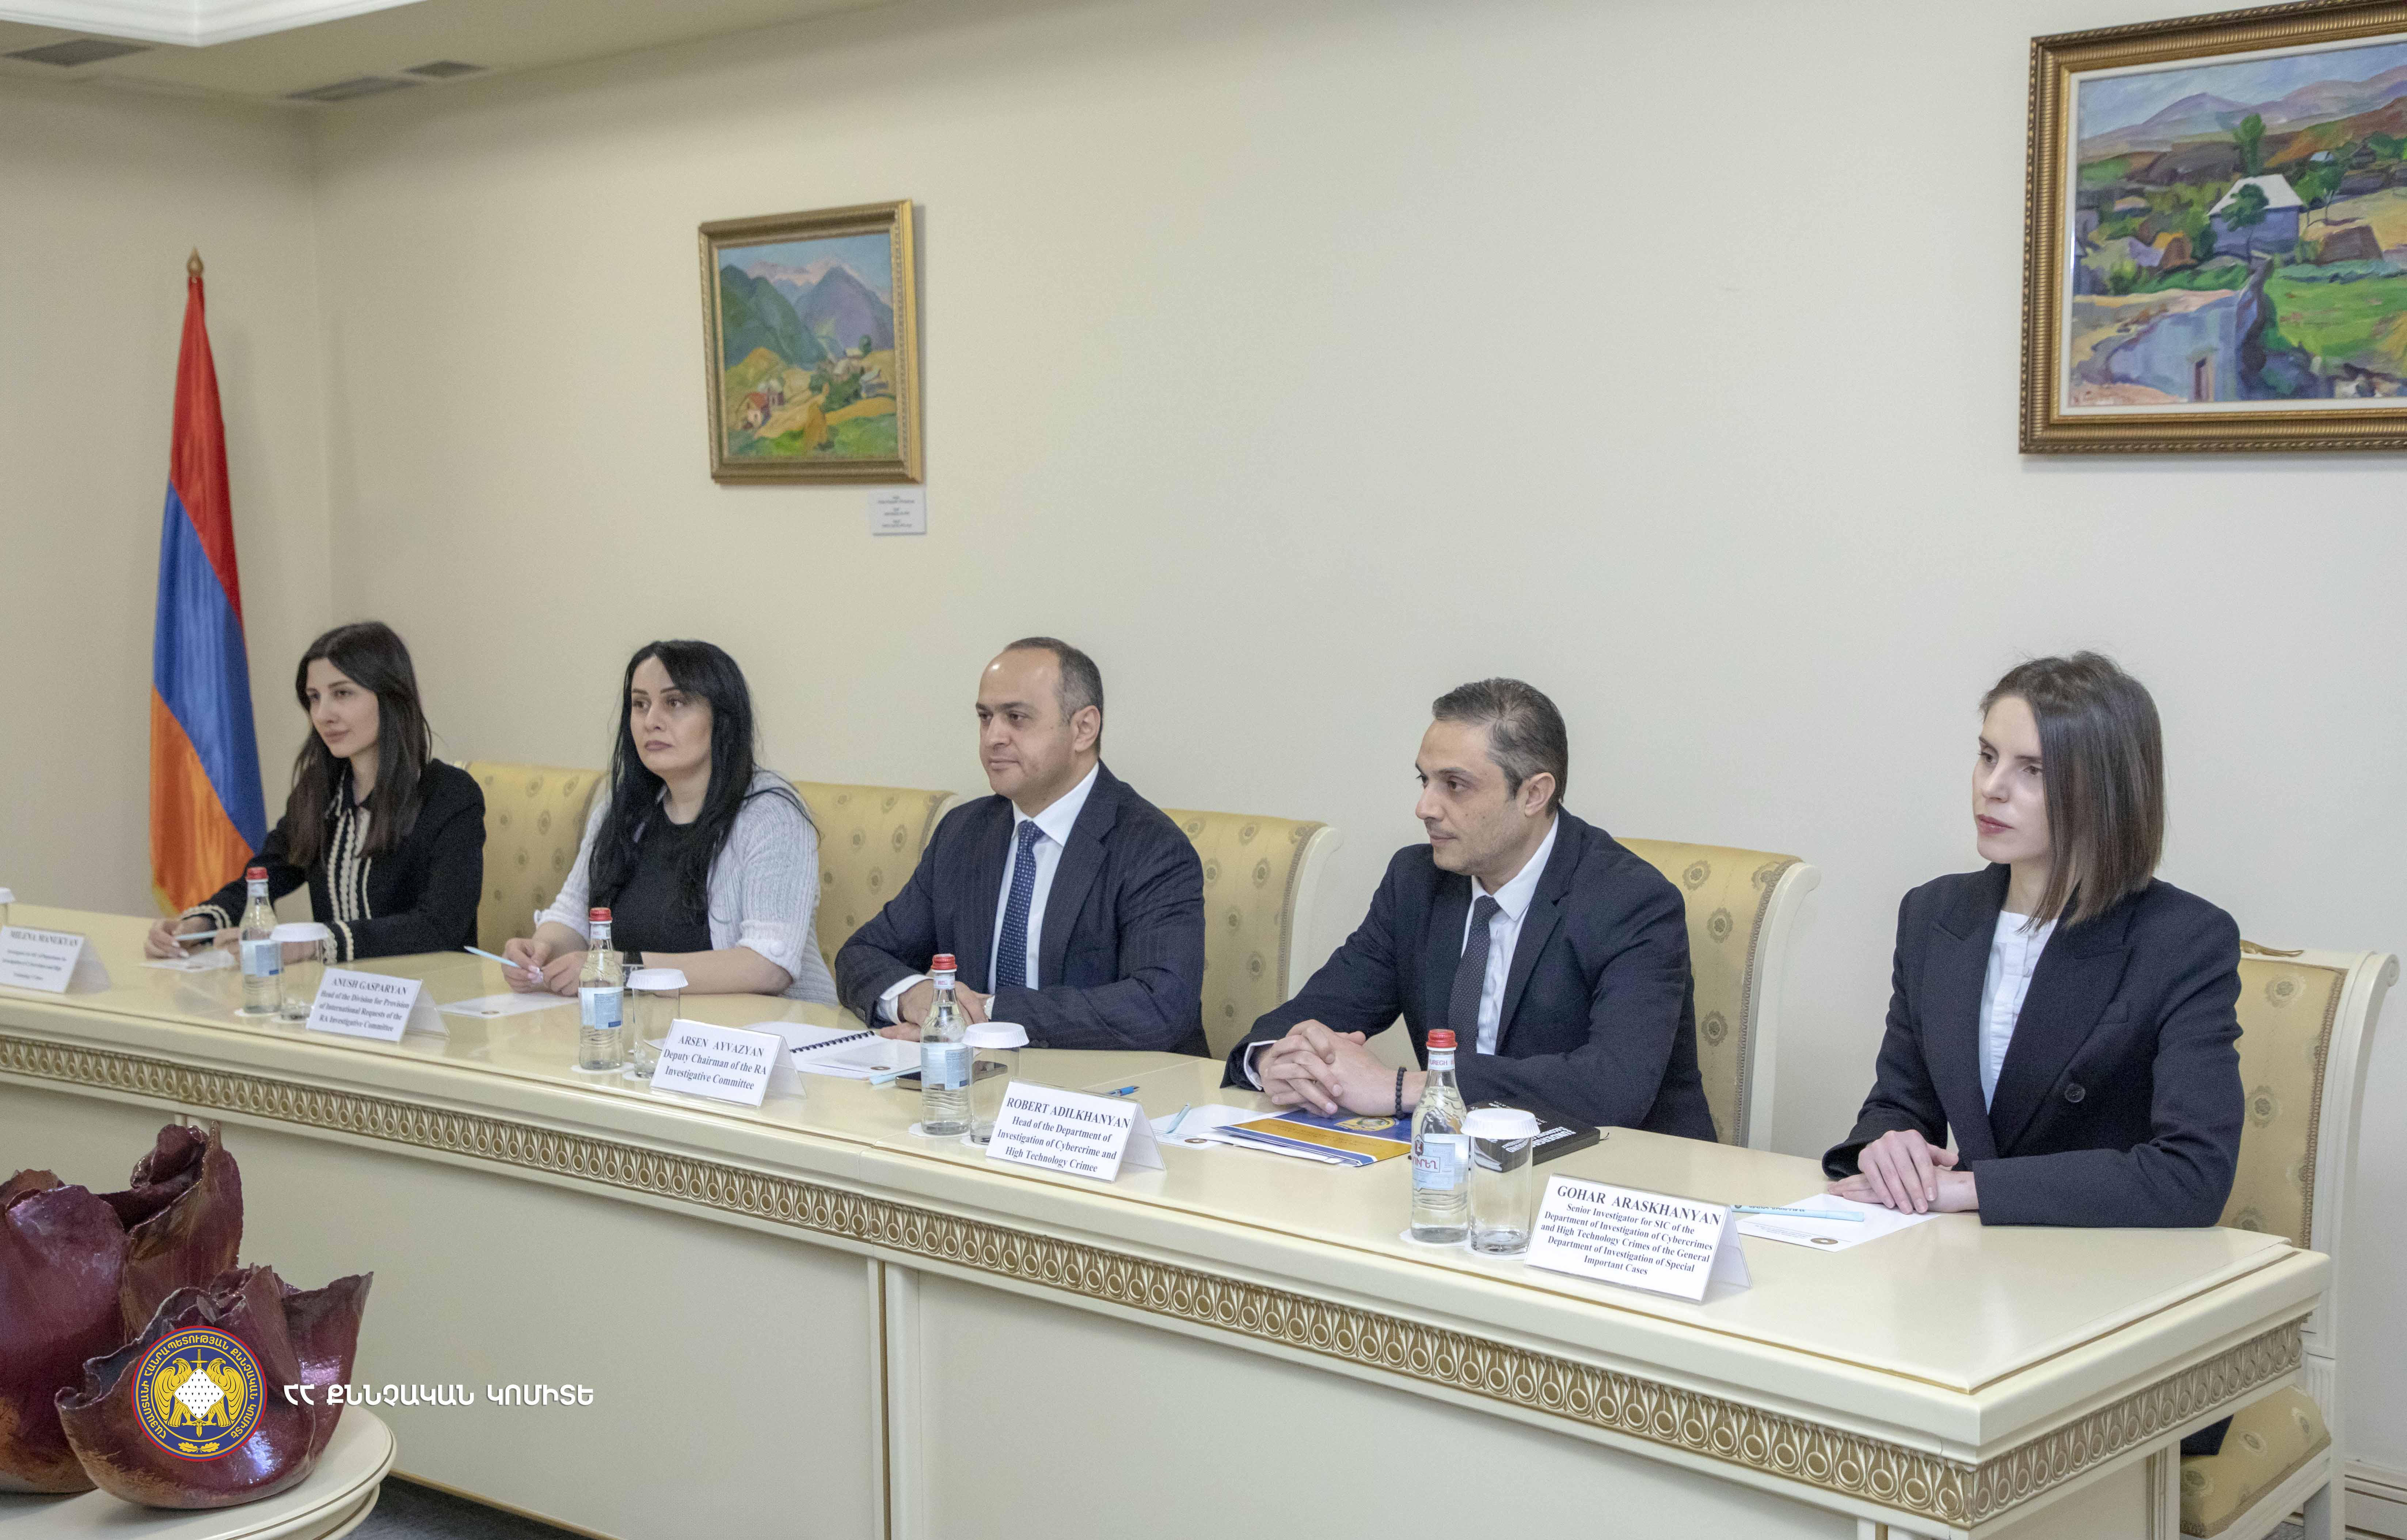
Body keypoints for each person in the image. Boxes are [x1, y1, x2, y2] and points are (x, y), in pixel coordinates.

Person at [1824, 652, 2244, 1228]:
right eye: (1988, 756)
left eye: (2034, 771)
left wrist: (1972, 1188)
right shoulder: (1934, 913)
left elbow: (2193, 1175)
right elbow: (1901, 1101)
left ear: (2107, 792)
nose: (1992, 789)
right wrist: (1888, 1144)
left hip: (2105, 1260)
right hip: (1964, 1253)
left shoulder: (2185, 939)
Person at [1226, 678, 1715, 1137]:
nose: (1425, 807)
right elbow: (1319, 1010)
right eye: (1424, 780)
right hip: (1456, 1169)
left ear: (1534, 793)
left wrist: (1404, 1088)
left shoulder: (1630, 900)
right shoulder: (1416, 881)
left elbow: (1613, 1086)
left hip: (1613, 1177)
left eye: (1454, 785)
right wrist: (1277, 1061)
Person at [835, 637, 1206, 1053]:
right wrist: (914, 995)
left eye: (1016, 717)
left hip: (1115, 1084)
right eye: (985, 717)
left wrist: (986, 1015)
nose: (994, 737)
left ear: (1084, 728)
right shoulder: (963, 832)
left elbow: (1158, 1006)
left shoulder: (1152, 847)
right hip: (977, 1079)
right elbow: (862, 954)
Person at [506, 640, 837, 1003]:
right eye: (640, 704)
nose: (651, 721)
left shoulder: (771, 813)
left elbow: (769, 965)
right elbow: (572, 919)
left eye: (674, 703)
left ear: (722, 718)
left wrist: (626, 969)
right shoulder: (621, 810)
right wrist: (540, 951)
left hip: (758, 1031)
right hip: (642, 1025)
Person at [145, 621, 484, 963]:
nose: (322, 715)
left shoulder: (451, 795)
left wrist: (312, 944)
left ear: (390, 697)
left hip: (433, 988)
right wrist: (198, 925)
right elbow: (264, 877)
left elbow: (441, 925)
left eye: (342, 694)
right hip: (336, 990)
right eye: (314, 698)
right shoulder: (320, 792)